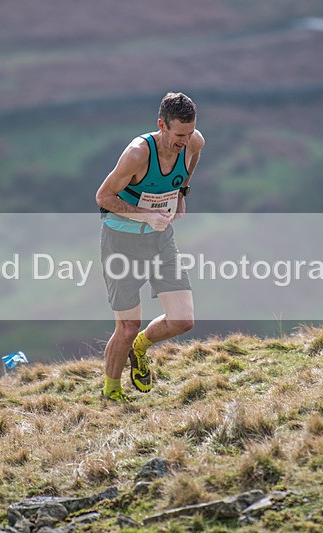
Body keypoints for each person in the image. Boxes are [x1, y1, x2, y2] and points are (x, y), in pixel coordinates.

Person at [95, 92, 205, 402]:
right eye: (178, 135)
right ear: (161, 125)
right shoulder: (137, 154)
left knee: (183, 320)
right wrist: (146, 215)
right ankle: (112, 392)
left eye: (190, 132)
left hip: (160, 240)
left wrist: (181, 194)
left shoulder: (194, 143)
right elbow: (103, 198)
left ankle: (141, 347)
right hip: (121, 243)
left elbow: (190, 164)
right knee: (127, 326)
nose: (184, 141)